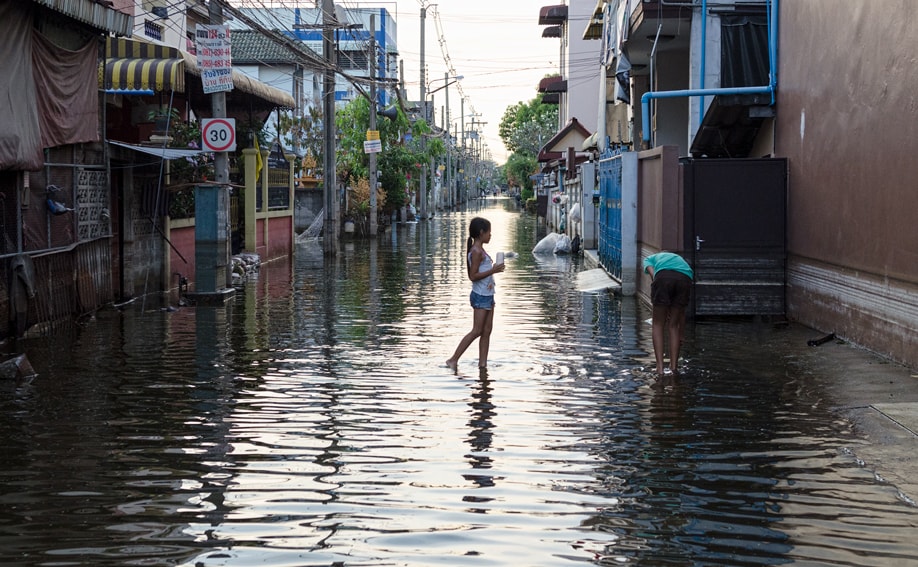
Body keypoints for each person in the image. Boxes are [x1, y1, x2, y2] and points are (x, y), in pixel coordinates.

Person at [446, 217, 505, 370]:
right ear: (481, 233)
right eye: (489, 232)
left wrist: (493, 270)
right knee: (477, 330)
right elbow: (473, 276)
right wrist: (494, 270)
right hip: (480, 295)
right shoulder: (476, 251)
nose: (490, 235)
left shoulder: (480, 249)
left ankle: (482, 364)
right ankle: (453, 359)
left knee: (487, 331)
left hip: (488, 295)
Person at [642, 251, 694, 375]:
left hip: (663, 277)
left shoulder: (649, 259)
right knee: (673, 325)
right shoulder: (680, 261)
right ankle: (673, 367)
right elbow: (682, 313)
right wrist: (681, 334)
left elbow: (655, 278)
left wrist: (661, 297)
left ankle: (659, 368)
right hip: (685, 278)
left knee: (658, 324)